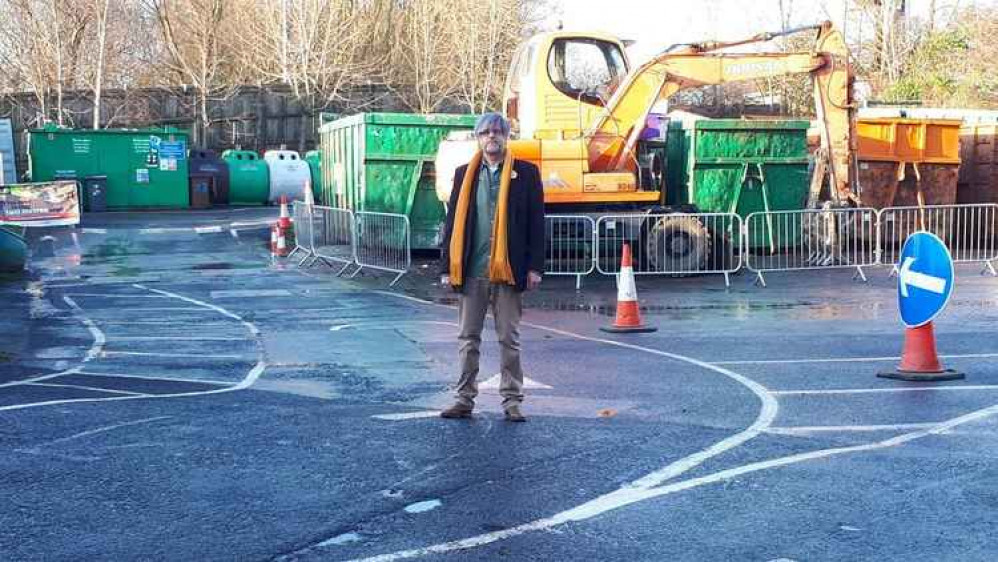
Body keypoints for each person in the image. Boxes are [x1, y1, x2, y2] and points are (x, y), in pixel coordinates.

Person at [439, 112, 545, 422]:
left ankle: (512, 401)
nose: (492, 136)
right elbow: (451, 224)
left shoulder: (526, 173)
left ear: (507, 136)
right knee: (467, 339)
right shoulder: (464, 174)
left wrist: (535, 266)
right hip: (472, 270)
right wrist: (447, 266)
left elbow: (536, 224)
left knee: (509, 340)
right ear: (478, 137)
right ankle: (463, 398)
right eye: (485, 132)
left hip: (508, 270)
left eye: (498, 131)